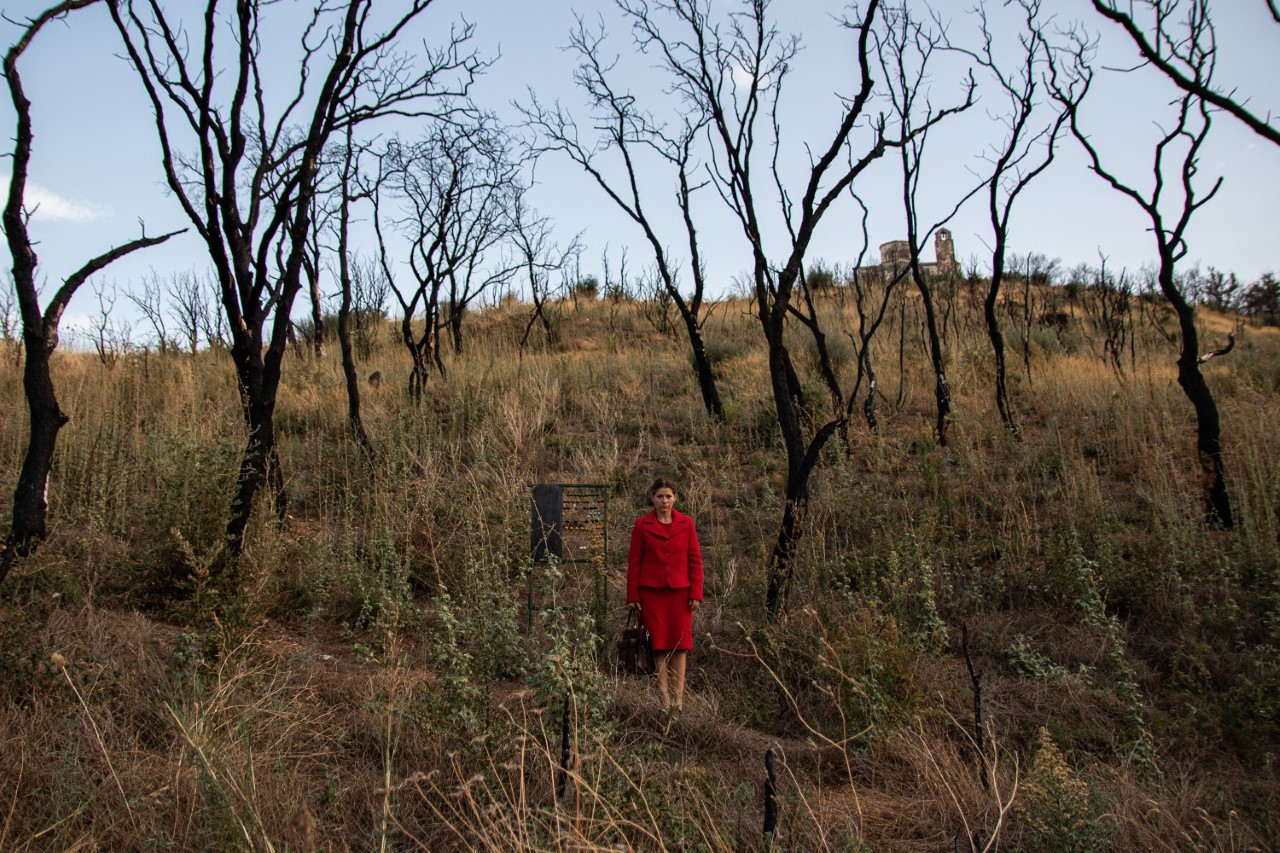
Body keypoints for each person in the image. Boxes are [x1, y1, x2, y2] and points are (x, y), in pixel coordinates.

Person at [626, 478, 703, 722]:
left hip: (680, 593)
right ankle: (664, 697)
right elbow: (634, 562)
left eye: (668, 496)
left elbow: (695, 560)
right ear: (653, 498)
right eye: (660, 496)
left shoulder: (687, 523)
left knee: (680, 645)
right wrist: (633, 595)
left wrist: (696, 593)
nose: (664, 501)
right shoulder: (642, 525)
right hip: (651, 594)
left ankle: (679, 699)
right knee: (658, 645)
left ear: (675, 498)